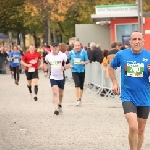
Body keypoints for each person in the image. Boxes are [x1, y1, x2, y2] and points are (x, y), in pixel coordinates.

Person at [108, 31, 150, 150]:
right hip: (128, 96)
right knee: (133, 127)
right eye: (134, 39)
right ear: (130, 41)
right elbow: (111, 66)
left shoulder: (149, 55)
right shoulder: (122, 54)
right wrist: (115, 83)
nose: (137, 41)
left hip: (144, 96)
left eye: (139, 39)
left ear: (143, 41)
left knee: (141, 130)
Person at [44, 42, 68, 115]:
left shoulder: (63, 55)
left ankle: (60, 104)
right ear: (51, 48)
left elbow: (69, 64)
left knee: (61, 93)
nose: (55, 48)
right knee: (55, 92)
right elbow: (45, 64)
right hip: (53, 76)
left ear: (58, 47)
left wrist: (64, 67)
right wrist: (45, 71)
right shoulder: (48, 56)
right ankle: (56, 108)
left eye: (56, 47)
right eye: (53, 47)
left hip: (61, 77)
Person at [67, 41, 89, 106]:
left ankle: (80, 98)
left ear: (80, 46)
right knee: (77, 84)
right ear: (74, 46)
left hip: (82, 70)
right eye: (76, 46)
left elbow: (87, 61)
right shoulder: (71, 52)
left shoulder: (83, 52)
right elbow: (67, 60)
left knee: (81, 85)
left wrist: (84, 63)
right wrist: (69, 65)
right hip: (74, 70)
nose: (77, 47)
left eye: (78, 46)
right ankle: (77, 99)